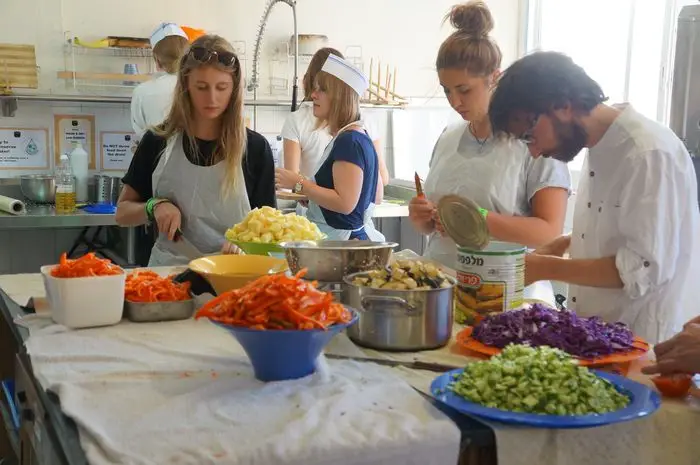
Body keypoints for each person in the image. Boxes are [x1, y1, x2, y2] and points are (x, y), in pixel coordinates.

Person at [488, 50, 700, 344]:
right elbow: (624, 228)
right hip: (601, 335)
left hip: (645, 344)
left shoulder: (647, 153)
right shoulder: (599, 145)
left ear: (562, 105)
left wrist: (543, 267)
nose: (534, 152)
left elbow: (642, 269)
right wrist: (565, 242)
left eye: (529, 136)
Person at [408, 2, 570, 272]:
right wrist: (422, 218)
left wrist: (476, 219)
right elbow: (435, 224)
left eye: (464, 90)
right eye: (447, 91)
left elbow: (549, 232)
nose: (455, 101)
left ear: (495, 78)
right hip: (440, 279)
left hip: (501, 285)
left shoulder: (533, 142)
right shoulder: (449, 138)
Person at [116, 34, 276, 266]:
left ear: (234, 90)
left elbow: (270, 230)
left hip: (234, 275)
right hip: (169, 276)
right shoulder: (158, 140)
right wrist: (154, 206)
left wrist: (247, 245)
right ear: (186, 86)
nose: (212, 98)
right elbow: (122, 213)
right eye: (201, 87)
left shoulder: (255, 149)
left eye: (222, 87)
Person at [275, 54, 385, 241]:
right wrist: (314, 199)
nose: (313, 95)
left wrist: (299, 184)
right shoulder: (355, 136)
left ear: (340, 97)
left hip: (343, 245)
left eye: (322, 90)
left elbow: (345, 203)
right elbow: (375, 195)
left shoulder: (349, 142)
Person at [131, 23, 189, 139]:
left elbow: (140, 131)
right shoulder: (199, 87)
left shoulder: (142, 92)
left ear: (157, 60)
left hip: (154, 154)